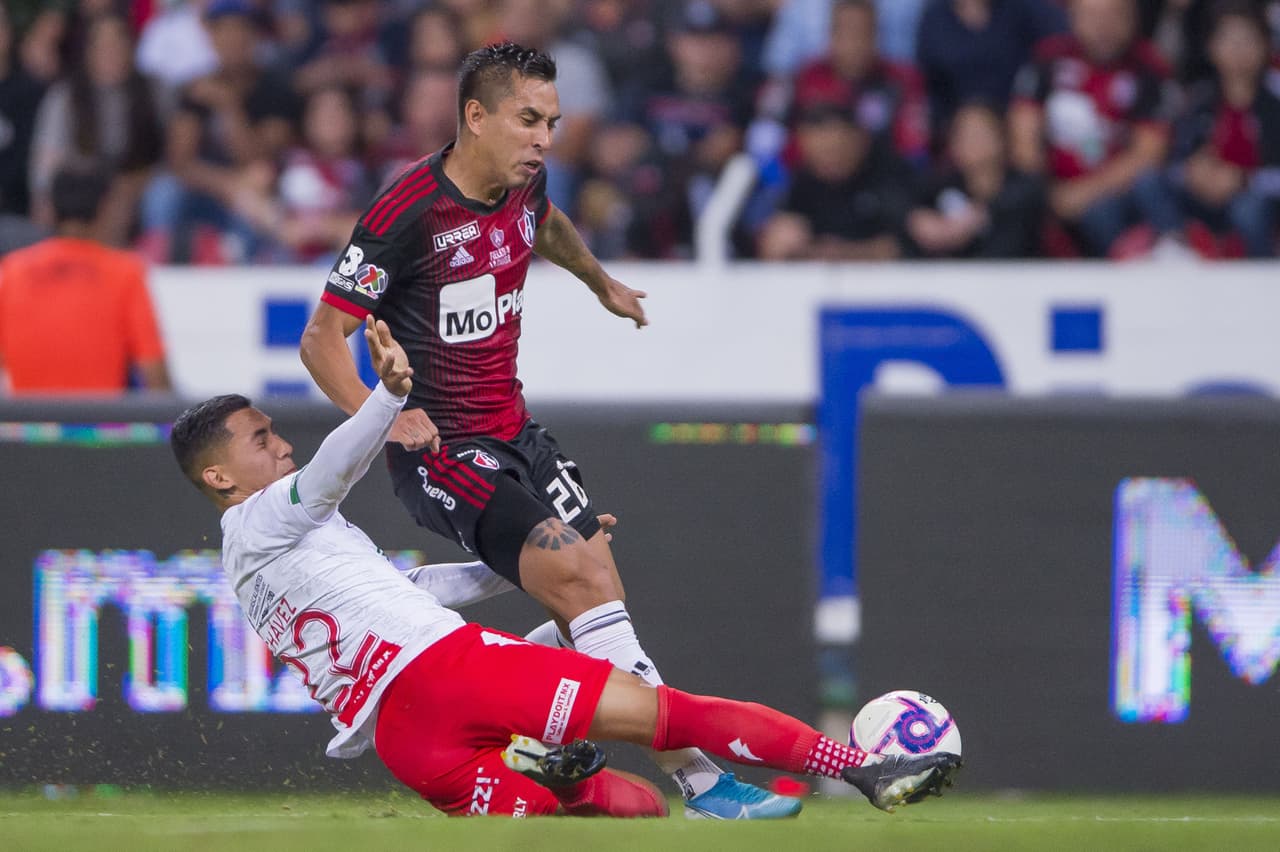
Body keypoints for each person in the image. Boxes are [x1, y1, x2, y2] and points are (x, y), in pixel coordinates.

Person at [174, 315, 963, 818]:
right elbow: (331, 471)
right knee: (669, 714)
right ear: (219, 476)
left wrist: (534, 550)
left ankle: (540, 764)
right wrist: (385, 398)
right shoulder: (264, 514)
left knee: (624, 810)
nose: (279, 442)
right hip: (449, 676)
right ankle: (862, 766)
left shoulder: (265, 562)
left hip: (411, 747)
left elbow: (412, 591)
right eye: (260, 437)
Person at [300, 42, 796, 819]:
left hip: (516, 430)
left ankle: (521, 722)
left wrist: (600, 282)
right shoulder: (405, 214)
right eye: (528, 120)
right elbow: (321, 339)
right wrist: (384, 424)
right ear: (475, 115)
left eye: (553, 123)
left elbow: (549, 226)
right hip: (442, 450)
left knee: (593, 587)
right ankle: (704, 783)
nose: (544, 139)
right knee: (580, 578)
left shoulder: (526, 188)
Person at [1008, 0, 1174, 257]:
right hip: (1055, 191)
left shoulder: (1148, 68)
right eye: (1092, 16)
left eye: (1113, 15)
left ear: (1132, 19)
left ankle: (1158, 261)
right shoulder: (1048, 60)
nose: (1103, 26)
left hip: (1116, 192)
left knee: (1134, 192)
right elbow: (1024, 136)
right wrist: (1048, 191)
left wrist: (1082, 194)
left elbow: (1148, 154)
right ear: (1073, 17)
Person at [0, 165, 170, 394]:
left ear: (49, 209)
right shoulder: (125, 272)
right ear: (106, 207)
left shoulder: (12, 270)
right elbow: (155, 375)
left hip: (31, 426)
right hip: (100, 426)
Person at [1132, 0, 1280, 259]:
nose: (1237, 51)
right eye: (1229, 41)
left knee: (1248, 208)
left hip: (1256, 201)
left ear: (1265, 46)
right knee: (1148, 182)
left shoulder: (1274, 101)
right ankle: (1178, 252)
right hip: (1203, 196)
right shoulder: (1198, 100)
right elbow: (1173, 162)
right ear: (1212, 47)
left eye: (1246, 41)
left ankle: (1261, 268)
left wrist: (1244, 180)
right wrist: (1191, 172)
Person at [757, 102, 911, 260]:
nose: (826, 160)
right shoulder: (801, 183)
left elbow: (898, 247)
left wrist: (841, 254)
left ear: (859, 140)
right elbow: (777, 244)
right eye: (818, 152)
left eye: (834, 150)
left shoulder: (888, 177)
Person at [905, 100, 1046, 258]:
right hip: (952, 279)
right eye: (961, 133)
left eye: (978, 133)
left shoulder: (1024, 189)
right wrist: (925, 225)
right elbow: (911, 217)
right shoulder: (939, 185)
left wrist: (976, 218)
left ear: (1001, 138)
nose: (969, 141)